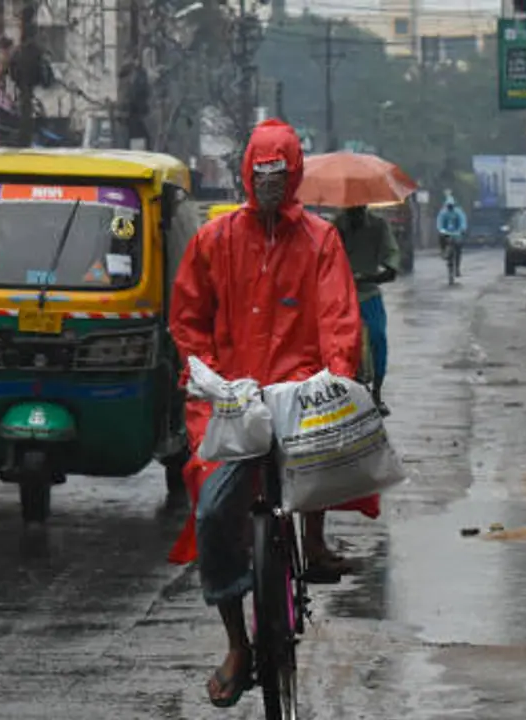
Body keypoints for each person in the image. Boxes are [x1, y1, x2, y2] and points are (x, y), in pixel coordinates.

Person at [168, 118, 382, 708]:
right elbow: (188, 319)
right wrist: (206, 373)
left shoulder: (320, 242)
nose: (267, 186)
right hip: (234, 406)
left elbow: (339, 317)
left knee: (330, 459)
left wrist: (335, 377)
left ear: (291, 177)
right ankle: (237, 642)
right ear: (246, 175)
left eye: (277, 176)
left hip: (298, 400)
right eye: (259, 176)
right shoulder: (214, 242)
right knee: (213, 513)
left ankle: (312, 542)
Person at [333, 205, 398, 416]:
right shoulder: (333, 227)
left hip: (368, 293)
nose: (355, 213)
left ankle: (377, 392)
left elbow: (391, 264)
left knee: (378, 338)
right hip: (339, 296)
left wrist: (371, 276)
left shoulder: (379, 226)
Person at [436, 195, 467, 277]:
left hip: (456, 233)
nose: (450, 207)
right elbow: (440, 222)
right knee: (440, 238)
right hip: (446, 233)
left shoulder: (458, 212)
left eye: (451, 206)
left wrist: (462, 229)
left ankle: (457, 268)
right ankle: (443, 251)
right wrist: (441, 230)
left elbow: (462, 221)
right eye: (448, 206)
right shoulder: (443, 213)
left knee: (458, 249)